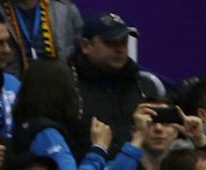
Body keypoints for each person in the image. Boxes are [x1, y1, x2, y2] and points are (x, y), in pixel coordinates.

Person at [70, 12, 164, 149]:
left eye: (124, 41)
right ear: (86, 46)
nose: (120, 49)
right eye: (110, 42)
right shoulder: (68, 83)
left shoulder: (139, 83)